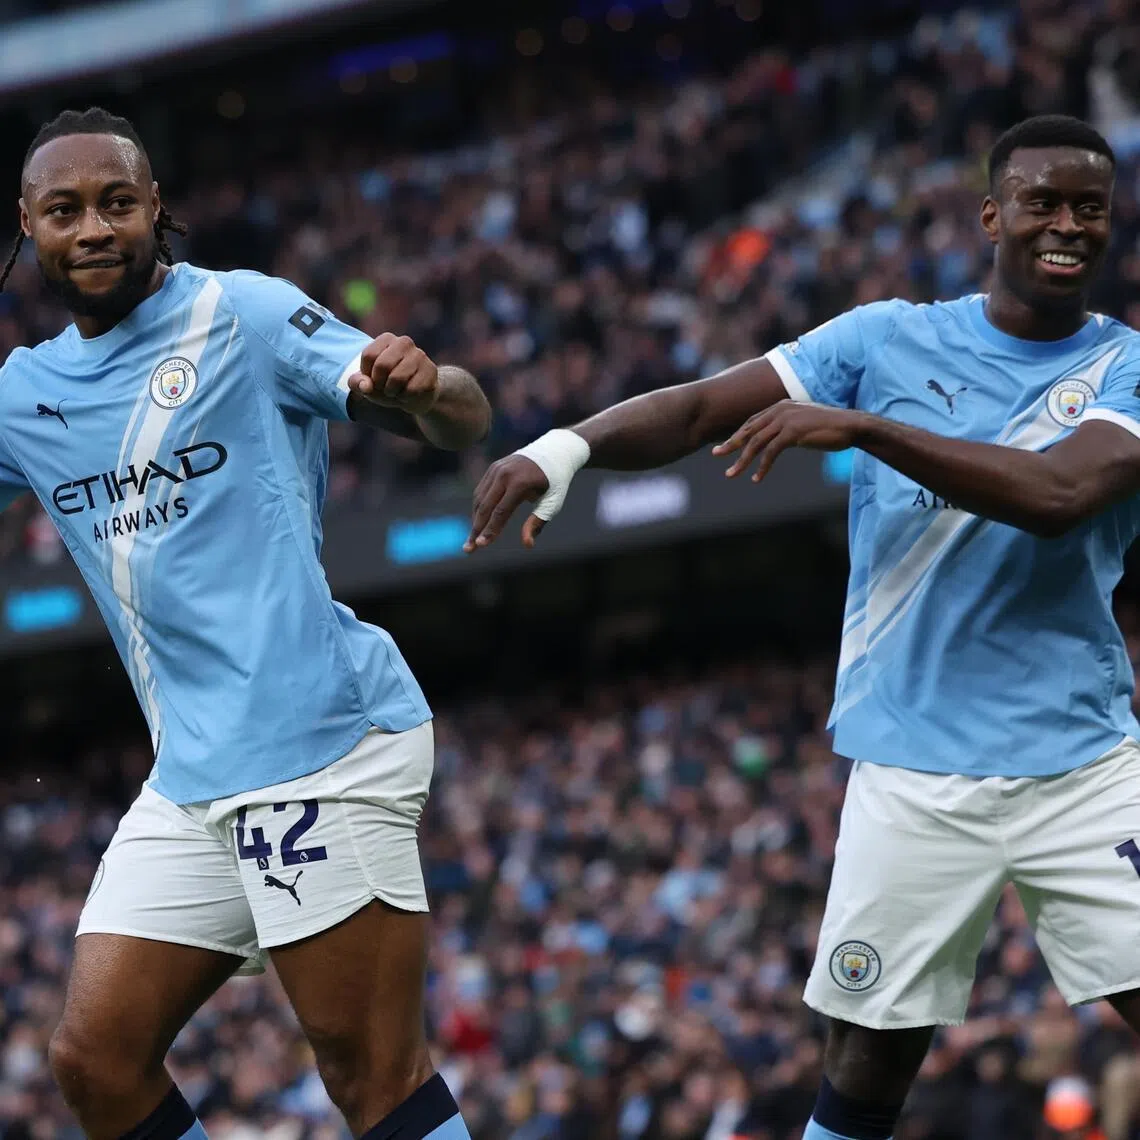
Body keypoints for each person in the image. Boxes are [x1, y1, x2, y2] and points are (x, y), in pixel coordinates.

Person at [468, 113, 1140, 1140]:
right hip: (912, 766)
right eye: (1043, 202)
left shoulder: (1128, 366)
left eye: (1089, 208)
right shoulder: (884, 337)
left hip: (1082, 763)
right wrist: (566, 447)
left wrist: (867, 426)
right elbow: (699, 410)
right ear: (991, 214)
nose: (1067, 225)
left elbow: (1060, 493)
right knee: (870, 1057)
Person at [0, 107, 491, 1140]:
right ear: (29, 228)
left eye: (116, 203)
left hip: (319, 746)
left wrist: (428, 386)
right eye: (65, 210)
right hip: (192, 780)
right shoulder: (23, 394)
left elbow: (462, 415)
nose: (93, 228)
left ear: (155, 211)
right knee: (95, 1063)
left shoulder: (246, 317)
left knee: (371, 1078)